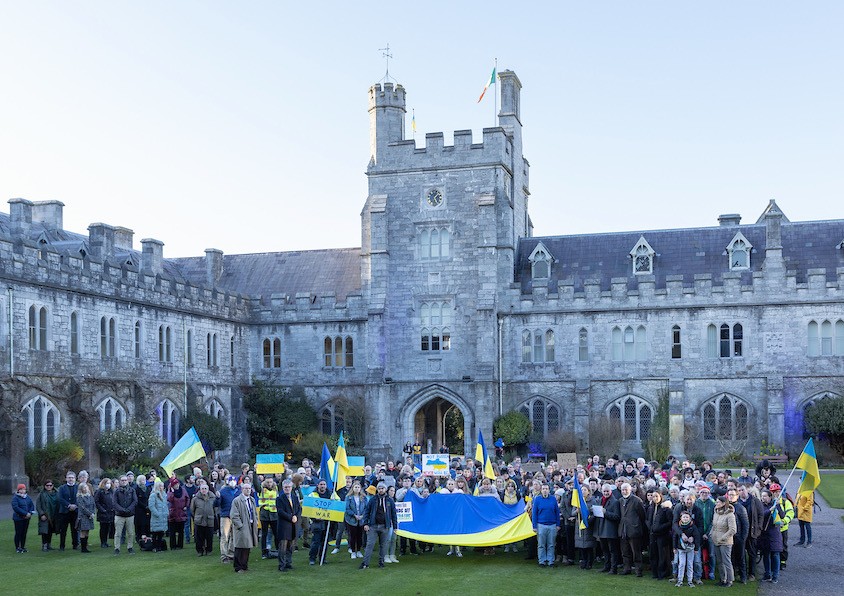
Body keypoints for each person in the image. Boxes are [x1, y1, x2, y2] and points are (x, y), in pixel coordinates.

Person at [359, 482, 398, 569]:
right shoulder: (373, 499)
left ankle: (381, 562)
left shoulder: (390, 500)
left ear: (385, 489)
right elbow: (367, 512)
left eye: (382, 488)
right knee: (370, 545)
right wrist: (365, 523)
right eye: (379, 488)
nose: (381, 490)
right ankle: (365, 563)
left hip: (385, 526)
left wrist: (395, 527)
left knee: (383, 545)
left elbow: (394, 514)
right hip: (373, 526)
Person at [617, 482, 646, 576]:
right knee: (625, 551)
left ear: (630, 490)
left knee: (636, 552)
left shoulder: (637, 500)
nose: (624, 491)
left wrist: (636, 524)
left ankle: (638, 570)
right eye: (622, 490)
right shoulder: (620, 500)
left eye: (626, 489)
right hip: (623, 529)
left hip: (634, 530)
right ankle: (627, 569)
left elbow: (642, 515)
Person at [230, 482, 259, 573]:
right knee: (240, 547)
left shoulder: (252, 499)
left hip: (251, 525)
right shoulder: (237, 500)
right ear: (242, 489)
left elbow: (254, 512)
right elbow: (234, 515)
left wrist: (256, 521)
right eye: (246, 488)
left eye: (249, 488)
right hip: (242, 526)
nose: (248, 490)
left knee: (247, 547)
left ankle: (244, 565)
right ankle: (238, 567)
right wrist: (240, 526)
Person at [758, 489, 784, 583]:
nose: (763, 498)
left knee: (775, 554)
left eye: (765, 496)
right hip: (764, 534)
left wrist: (777, 506)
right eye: (762, 496)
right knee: (766, 555)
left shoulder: (775, 504)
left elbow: (782, 515)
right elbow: (761, 515)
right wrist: (770, 510)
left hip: (774, 534)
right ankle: (767, 574)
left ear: (770, 497)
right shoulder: (761, 505)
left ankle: (775, 575)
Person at [532, 482, 560, 567]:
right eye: (543, 489)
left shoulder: (553, 499)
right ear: (541, 490)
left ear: (549, 490)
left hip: (552, 524)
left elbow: (557, 512)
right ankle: (542, 561)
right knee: (541, 544)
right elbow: (534, 513)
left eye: (546, 489)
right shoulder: (537, 499)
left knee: (551, 544)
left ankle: (550, 561)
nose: (545, 490)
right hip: (541, 525)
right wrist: (534, 526)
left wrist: (558, 524)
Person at [276, 478, 301, 572]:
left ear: (291, 487)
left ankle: (288, 563)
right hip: (284, 525)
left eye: (289, 487)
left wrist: (296, 516)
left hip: (293, 525)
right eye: (285, 487)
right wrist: (291, 517)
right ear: (283, 488)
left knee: (291, 546)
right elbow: (280, 511)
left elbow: (299, 508)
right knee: (283, 547)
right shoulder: (279, 498)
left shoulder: (294, 497)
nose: (287, 489)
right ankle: (281, 565)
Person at [646, 490, 673, 579]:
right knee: (653, 554)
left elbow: (670, 522)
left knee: (663, 555)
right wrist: (650, 527)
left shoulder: (665, 509)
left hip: (663, 535)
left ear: (660, 497)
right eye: (653, 496)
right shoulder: (651, 508)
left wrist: (660, 527)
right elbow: (647, 519)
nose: (655, 498)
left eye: (656, 496)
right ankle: (655, 573)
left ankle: (663, 573)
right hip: (652, 534)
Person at [711, 496, 737, 587]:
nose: (716, 504)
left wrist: (723, 538)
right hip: (716, 541)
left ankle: (730, 580)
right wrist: (711, 534)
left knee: (726, 561)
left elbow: (733, 530)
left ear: (723, 503)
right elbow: (714, 526)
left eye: (718, 502)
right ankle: (723, 579)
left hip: (725, 542)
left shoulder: (730, 515)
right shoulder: (716, 513)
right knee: (720, 561)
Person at [595, 483, 621, 574]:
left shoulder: (615, 502)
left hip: (610, 530)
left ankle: (613, 569)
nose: (606, 493)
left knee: (612, 550)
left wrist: (605, 512)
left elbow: (617, 516)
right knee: (605, 550)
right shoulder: (600, 500)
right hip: (601, 529)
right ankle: (607, 566)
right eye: (604, 491)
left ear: (611, 491)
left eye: (607, 491)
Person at [674, 510, 701, 588]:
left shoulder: (693, 527)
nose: (685, 519)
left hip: (690, 549)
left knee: (690, 564)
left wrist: (696, 548)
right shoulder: (678, 527)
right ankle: (680, 580)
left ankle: (690, 581)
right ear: (681, 518)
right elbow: (675, 537)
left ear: (690, 518)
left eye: (687, 517)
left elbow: (697, 537)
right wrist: (674, 547)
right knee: (681, 564)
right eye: (684, 517)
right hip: (681, 549)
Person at [113, 474, 137, 555]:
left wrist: (129, 509)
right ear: (120, 481)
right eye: (122, 480)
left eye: (125, 480)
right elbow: (114, 503)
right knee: (118, 533)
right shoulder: (116, 491)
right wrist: (122, 510)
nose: (124, 482)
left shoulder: (132, 490)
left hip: (130, 515)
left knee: (130, 533)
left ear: (127, 481)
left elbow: (135, 501)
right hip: (119, 515)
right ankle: (117, 548)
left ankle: (130, 547)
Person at [218, 474, 240, 563]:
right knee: (225, 536)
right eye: (231, 480)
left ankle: (231, 554)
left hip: (235, 516)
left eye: (234, 481)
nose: (232, 482)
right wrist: (217, 498)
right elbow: (217, 504)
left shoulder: (239, 491)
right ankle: (224, 555)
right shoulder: (223, 491)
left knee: (234, 536)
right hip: (226, 516)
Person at [574, 486, 597, 569]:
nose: (583, 491)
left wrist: (588, 520)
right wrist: (576, 511)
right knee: (581, 546)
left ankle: (589, 562)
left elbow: (594, 513)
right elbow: (572, 513)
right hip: (579, 526)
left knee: (588, 546)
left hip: (588, 525)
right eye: (582, 490)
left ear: (588, 491)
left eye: (585, 490)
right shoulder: (577, 501)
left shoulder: (592, 501)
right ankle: (583, 561)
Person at [308, 480, 331, 565]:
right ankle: (312, 558)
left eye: (324, 484)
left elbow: (337, 504)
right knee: (316, 541)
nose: (322, 486)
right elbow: (308, 508)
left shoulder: (331, 494)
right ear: (317, 485)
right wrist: (314, 517)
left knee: (325, 542)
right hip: (316, 522)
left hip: (327, 522)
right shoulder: (312, 495)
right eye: (321, 484)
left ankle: (322, 558)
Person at [191, 482, 216, 556]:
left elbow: (216, 508)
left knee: (209, 537)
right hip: (199, 520)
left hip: (210, 520)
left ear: (208, 490)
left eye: (205, 488)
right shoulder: (195, 499)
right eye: (202, 489)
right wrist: (196, 516)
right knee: (199, 537)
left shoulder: (213, 498)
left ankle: (209, 550)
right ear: (200, 490)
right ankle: (200, 551)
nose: (204, 490)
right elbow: (192, 509)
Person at [57, 471, 79, 551]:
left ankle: (75, 545)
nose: (71, 479)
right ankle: (62, 546)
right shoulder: (62, 488)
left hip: (75, 511)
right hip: (64, 512)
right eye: (69, 477)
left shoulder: (78, 487)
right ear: (66, 478)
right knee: (63, 530)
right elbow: (60, 498)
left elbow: (80, 497)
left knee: (75, 529)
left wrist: (75, 505)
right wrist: (69, 505)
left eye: (72, 478)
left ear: (75, 479)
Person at [345, 480, 366, 559]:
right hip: (351, 520)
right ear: (352, 488)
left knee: (360, 536)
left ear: (360, 488)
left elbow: (366, 508)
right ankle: (353, 551)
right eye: (355, 487)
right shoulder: (348, 497)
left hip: (361, 520)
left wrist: (362, 515)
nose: (357, 489)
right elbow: (347, 508)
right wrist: (354, 515)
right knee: (352, 536)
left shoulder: (364, 498)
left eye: (358, 487)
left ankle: (359, 551)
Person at [12, 483, 36, 553]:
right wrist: (25, 513)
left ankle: (22, 547)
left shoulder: (27, 497)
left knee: (24, 533)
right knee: (18, 533)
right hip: (18, 518)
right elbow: (16, 508)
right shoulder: (15, 498)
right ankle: (17, 547)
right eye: (21, 489)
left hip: (26, 518)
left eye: (24, 489)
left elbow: (31, 506)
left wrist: (30, 513)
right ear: (18, 490)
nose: (22, 491)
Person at [258, 478, 278, 559]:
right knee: (264, 534)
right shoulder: (261, 489)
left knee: (276, 533)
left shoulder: (276, 488)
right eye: (268, 482)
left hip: (274, 514)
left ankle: (278, 550)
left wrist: (283, 472)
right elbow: (255, 484)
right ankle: (264, 552)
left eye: (270, 482)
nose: (269, 484)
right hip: (265, 514)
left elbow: (282, 480)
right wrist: (255, 473)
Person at [36, 479, 58, 551]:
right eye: (47, 485)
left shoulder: (56, 493)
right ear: (44, 486)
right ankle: (44, 545)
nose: (49, 487)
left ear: (53, 485)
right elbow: (38, 505)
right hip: (45, 515)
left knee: (50, 531)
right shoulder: (41, 494)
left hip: (53, 515)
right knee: (44, 531)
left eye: (50, 485)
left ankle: (49, 545)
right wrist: (42, 514)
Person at [167, 478, 189, 550]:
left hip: (181, 513)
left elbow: (187, 498)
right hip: (173, 513)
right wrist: (172, 493)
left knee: (181, 531)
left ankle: (180, 545)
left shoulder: (183, 490)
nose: (176, 486)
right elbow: (169, 499)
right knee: (172, 531)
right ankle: (173, 546)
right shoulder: (170, 492)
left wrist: (186, 506)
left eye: (177, 484)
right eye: (175, 485)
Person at [148, 480, 169, 552]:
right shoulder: (153, 495)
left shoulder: (164, 495)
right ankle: (154, 547)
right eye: (160, 486)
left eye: (162, 486)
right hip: (156, 517)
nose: (162, 488)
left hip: (163, 516)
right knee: (155, 533)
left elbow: (166, 505)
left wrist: (166, 513)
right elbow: (151, 506)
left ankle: (159, 547)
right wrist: (157, 514)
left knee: (161, 533)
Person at [75, 482, 96, 553]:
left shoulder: (90, 496)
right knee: (83, 531)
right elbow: (82, 508)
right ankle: (83, 548)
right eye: (84, 487)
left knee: (87, 531)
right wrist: (90, 514)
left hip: (90, 516)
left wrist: (93, 513)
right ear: (81, 489)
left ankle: (86, 546)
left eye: (86, 487)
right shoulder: (79, 497)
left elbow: (93, 505)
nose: (86, 488)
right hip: (83, 516)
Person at [94, 478, 114, 549]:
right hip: (103, 513)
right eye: (107, 483)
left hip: (110, 512)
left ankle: (106, 542)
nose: (108, 485)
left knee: (108, 528)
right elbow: (96, 501)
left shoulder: (111, 491)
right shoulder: (99, 491)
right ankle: (103, 542)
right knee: (103, 528)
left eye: (109, 483)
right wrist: (102, 510)